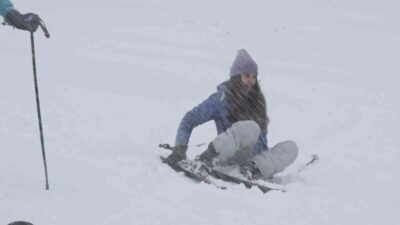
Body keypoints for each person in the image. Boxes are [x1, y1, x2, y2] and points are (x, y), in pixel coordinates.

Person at [164, 49, 299, 180]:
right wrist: (179, 149)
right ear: (236, 76)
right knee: (252, 127)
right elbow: (189, 120)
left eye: (254, 77)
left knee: (291, 147)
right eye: (246, 75)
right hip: (225, 156)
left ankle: (252, 169)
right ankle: (208, 159)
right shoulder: (221, 99)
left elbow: (263, 141)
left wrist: (266, 164)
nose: (251, 81)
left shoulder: (258, 102)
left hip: (250, 161)